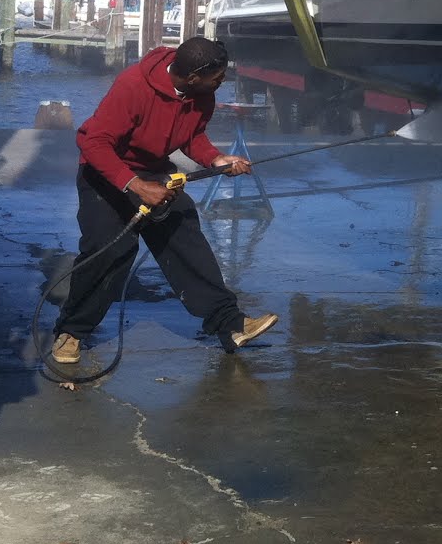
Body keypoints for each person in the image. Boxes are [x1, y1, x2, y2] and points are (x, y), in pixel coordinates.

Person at [50, 35, 277, 363]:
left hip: (152, 171)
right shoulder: (133, 86)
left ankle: (230, 323)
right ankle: (71, 331)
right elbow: (94, 142)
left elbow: (192, 135)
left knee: (184, 229)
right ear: (193, 77)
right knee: (111, 249)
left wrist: (215, 159)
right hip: (105, 172)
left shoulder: (202, 93)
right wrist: (136, 185)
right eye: (217, 77)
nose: (222, 81)